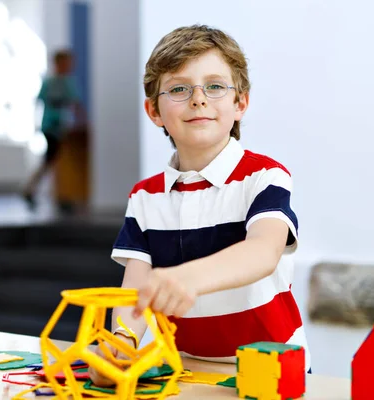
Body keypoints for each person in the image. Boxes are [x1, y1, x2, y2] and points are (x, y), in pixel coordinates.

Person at [89, 24, 310, 386]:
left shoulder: (265, 176)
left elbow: (263, 251)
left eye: (215, 86)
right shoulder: (144, 197)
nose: (198, 98)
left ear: (240, 103)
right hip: (186, 372)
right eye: (178, 88)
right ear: (154, 111)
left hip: (270, 371)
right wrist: (121, 344)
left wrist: (187, 278)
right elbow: (135, 292)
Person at [23, 49, 87, 209]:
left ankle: (41, 191)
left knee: (53, 160)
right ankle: (35, 190)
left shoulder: (66, 82)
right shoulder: (52, 82)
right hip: (51, 127)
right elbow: (43, 100)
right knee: (52, 160)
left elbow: (75, 103)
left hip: (60, 126)